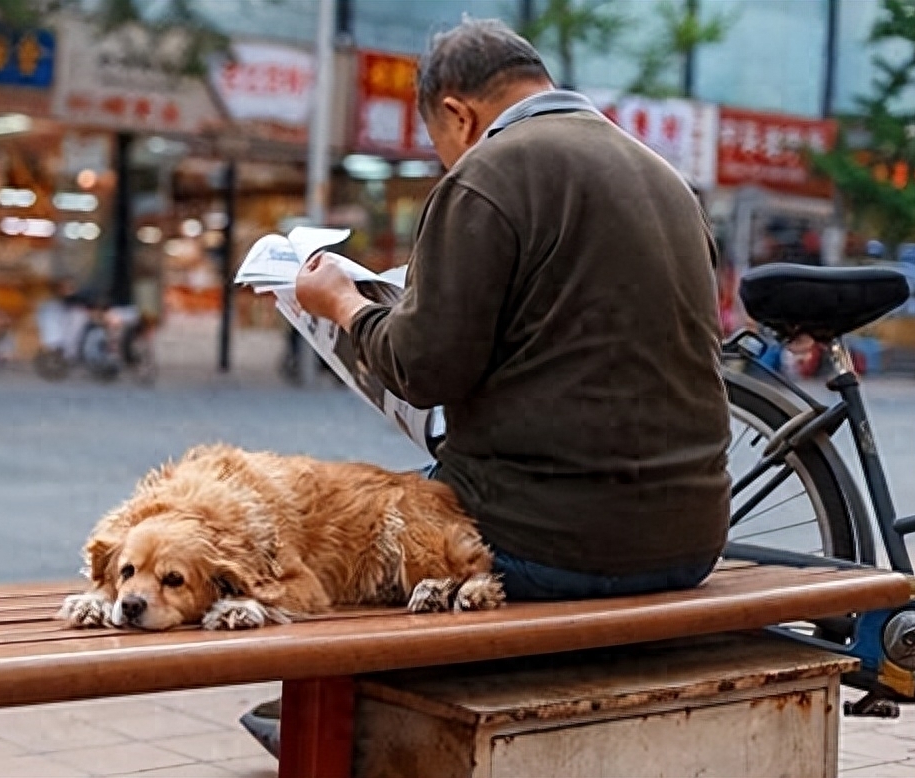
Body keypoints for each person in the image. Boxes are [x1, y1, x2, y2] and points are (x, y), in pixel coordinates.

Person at [242, 18, 731, 756]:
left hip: (547, 543)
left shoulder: (489, 174)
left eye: (440, 138)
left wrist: (344, 304)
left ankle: (335, 722)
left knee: (342, 533)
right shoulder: (665, 178)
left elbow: (426, 368)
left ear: (457, 112)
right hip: (692, 538)